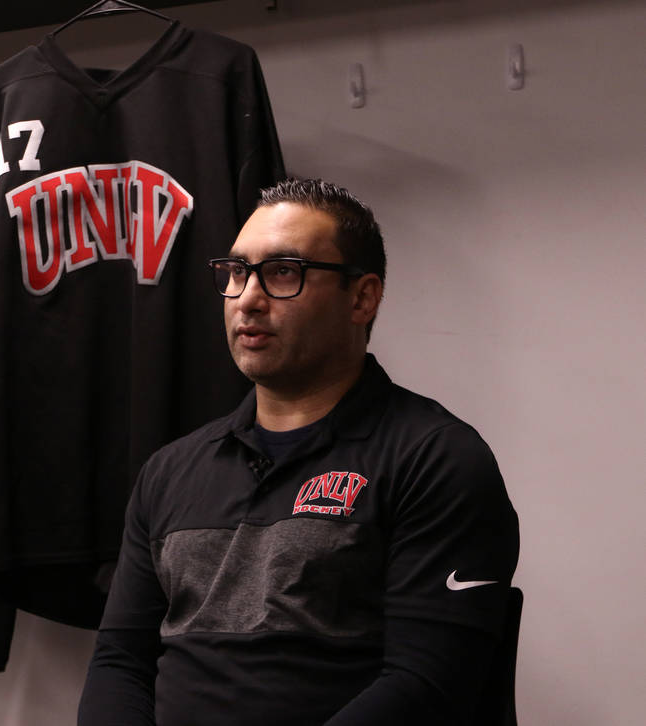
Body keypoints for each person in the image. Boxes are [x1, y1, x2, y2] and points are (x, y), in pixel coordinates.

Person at [77, 178, 520, 725]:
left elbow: (428, 684)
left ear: (362, 297)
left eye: (283, 272)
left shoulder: (437, 459)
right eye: (237, 272)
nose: (248, 298)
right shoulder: (170, 472)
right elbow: (121, 660)